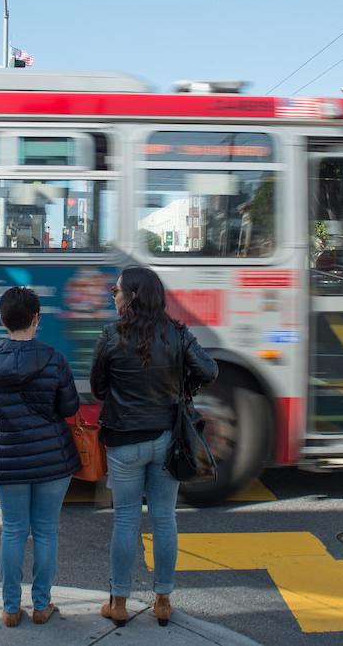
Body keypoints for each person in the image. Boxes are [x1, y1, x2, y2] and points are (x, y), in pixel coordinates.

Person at [89, 267, 217, 628]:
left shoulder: (110, 335)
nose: (111, 297)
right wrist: (183, 389)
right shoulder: (178, 333)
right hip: (168, 439)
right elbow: (209, 370)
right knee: (164, 518)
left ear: (130, 296)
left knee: (126, 519)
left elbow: (98, 388)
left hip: (124, 442)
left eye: (115, 291)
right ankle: (163, 600)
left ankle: (118, 603)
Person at [0, 287, 81, 627]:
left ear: (2, 320)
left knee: (13, 531)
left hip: (9, 457)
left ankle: (10, 608)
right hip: (53, 459)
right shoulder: (54, 359)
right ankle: (41, 605)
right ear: (37, 317)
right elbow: (69, 407)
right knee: (47, 531)